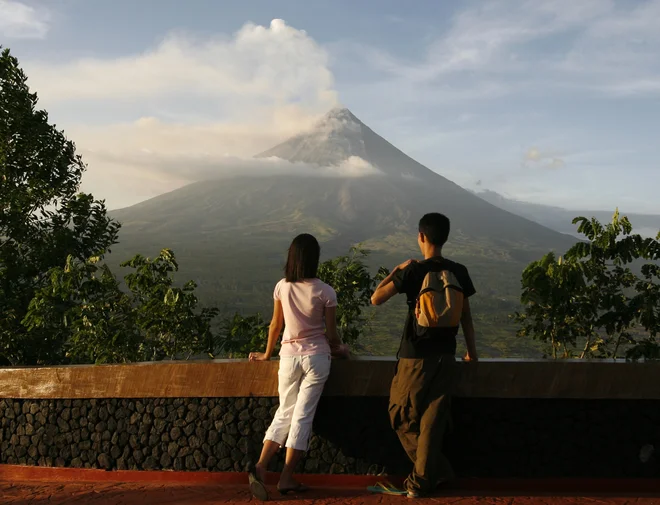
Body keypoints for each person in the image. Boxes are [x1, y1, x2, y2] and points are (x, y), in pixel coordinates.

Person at [370, 213, 478, 498]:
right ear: (445, 237)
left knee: (401, 415)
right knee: (433, 420)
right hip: (447, 356)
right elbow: (466, 317)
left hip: (415, 357)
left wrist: (396, 270)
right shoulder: (459, 270)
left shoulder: (414, 271)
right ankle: (430, 476)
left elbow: (376, 298)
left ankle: (427, 477)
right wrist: (473, 353)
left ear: (421, 237)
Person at [248, 233, 349, 501]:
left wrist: (266, 354)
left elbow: (275, 325)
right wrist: (342, 351)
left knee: (285, 411)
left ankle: (261, 465)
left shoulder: (282, 286)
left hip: (288, 358)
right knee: (302, 416)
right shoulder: (325, 291)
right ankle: (286, 478)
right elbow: (332, 335)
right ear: (315, 259)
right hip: (316, 358)